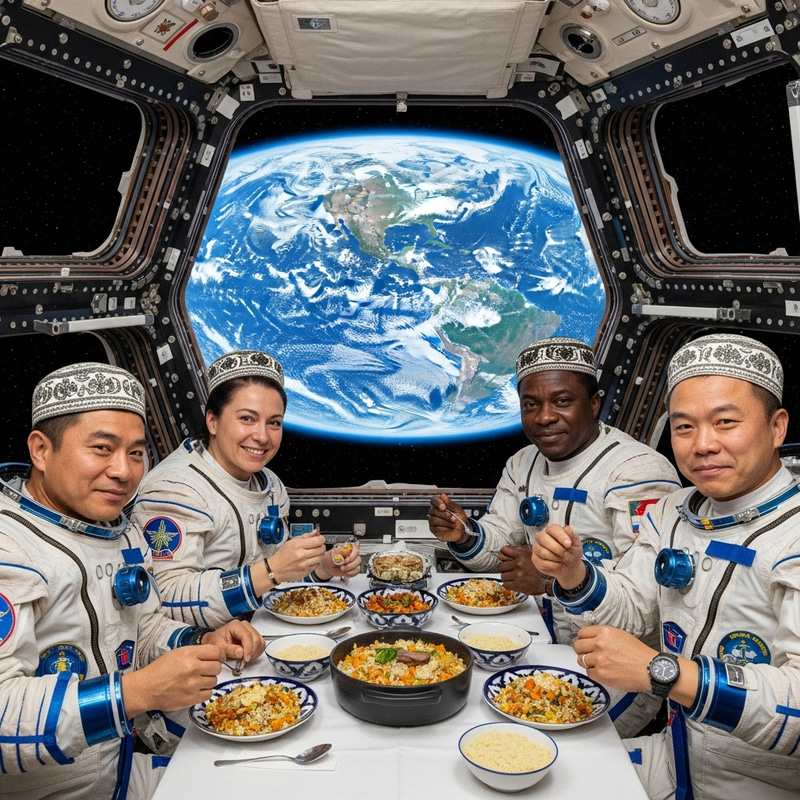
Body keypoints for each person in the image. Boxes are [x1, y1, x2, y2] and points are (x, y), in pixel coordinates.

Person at [532, 333, 800, 799]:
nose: (703, 445)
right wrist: (575, 574)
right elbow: (634, 608)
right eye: (684, 427)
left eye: (726, 422)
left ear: (777, 427)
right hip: (679, 758)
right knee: (535, 771)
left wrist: (664, 671)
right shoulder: (671, 513)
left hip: (757, 782)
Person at [0, 362, 264, 800]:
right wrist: (130, 694)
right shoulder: (12, 548)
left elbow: (143, 629)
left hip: (120, 773)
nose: (124, 471)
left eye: (137, 453)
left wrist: (204, 640)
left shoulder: (121, 530)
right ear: (41, 450)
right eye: (102, 449)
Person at [427, 336, 681, 736]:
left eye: (562, 401)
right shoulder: (523, 463)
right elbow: (500, 549)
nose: (544, 417)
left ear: (594, 403)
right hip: (543, 641)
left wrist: (549, 581)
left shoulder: (637, 472)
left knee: (548, 742)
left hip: (617, 666)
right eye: (531, 404)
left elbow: (647, 602)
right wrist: (465, 534)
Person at [131, 349, 361, 629]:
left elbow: (277, 584)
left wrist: (322, 568)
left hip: (259, 631)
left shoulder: (272, 486)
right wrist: (270, 571)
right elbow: (165, 597)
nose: (262, 436)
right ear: (212, 421)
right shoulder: (174, 489)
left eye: (273, 423)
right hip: (199, 650)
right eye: (247, 419)